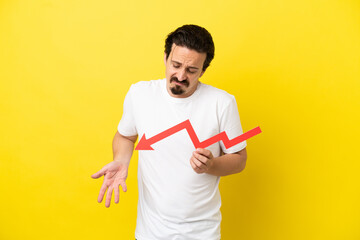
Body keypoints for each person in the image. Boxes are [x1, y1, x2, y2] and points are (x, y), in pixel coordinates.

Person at [91, 24, 248, 240]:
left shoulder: (223, 103)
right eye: (175, 65)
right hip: (150, 233)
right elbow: (125, 136)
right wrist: (121, 160)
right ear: (165, 58)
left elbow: (240, 159)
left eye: (192, 70)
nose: (181, 75)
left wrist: (212, 165)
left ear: (203, 70)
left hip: (202, 234)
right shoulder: (140, 94)